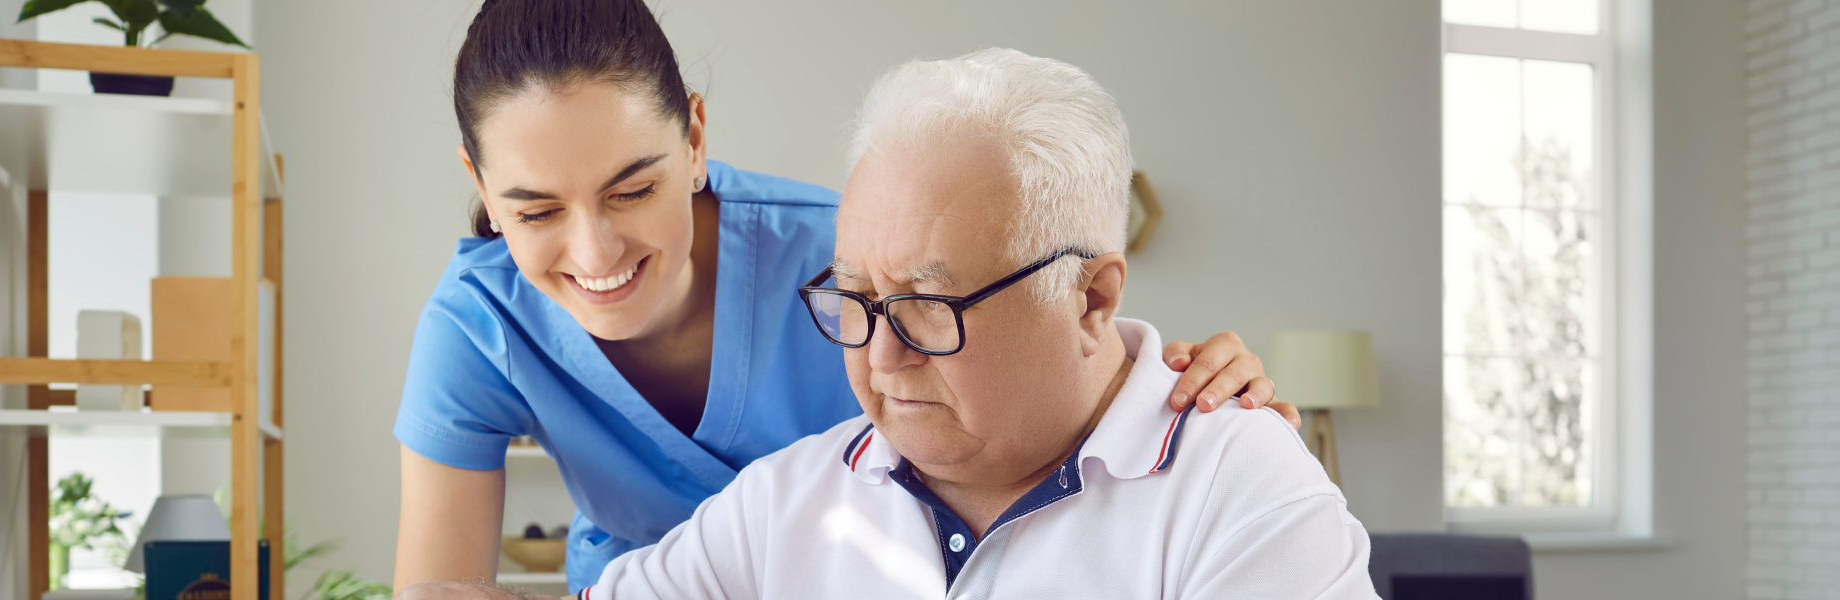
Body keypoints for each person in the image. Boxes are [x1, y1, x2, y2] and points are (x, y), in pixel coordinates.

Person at [401, 47, 1375, 600]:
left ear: (1091, 298)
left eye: (926, 306)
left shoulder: (1235, 486)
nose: (878, 356)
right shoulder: (788, 499)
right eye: (855, 302)